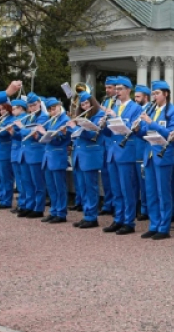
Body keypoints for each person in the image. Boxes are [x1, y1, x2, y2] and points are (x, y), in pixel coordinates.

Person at [136, 80, 174, 240]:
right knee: (151, 193)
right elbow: (145, 133)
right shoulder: (152, 110)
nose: (154, 96)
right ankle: (154, 225)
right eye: (153, 94)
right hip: (149, 155)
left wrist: (151, 123)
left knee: (164, 192)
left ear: (166, 94)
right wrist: (137, 130)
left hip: (163, 155)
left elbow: (171, 134)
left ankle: (164, 226)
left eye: (157, 93)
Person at [102, 76, 142, 235]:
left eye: (120, 89)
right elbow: (109, 132)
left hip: (126, 151)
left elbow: (130, 130)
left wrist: (112, 117)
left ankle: (128, 221)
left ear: (128, 90)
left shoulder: (135, 108)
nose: (117, 92)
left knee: (127, 188)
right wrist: (103, 125)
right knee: (115, 188)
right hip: (112, 152)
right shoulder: (114, 106)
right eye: (116, 89)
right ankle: (118, 218)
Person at [70, 92, 105, 229]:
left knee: (91, 187)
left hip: (90, 155)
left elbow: (93, 135)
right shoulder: (82, 116)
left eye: (87, 103)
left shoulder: (99, 115)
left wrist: (76, 127)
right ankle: (86, 214)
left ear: (92, 103)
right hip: (79, 155)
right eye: (82, 104)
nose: (85, 106)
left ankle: (92, 217)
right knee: (82, 187)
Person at [15, 94, 49, 218]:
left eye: (34, 105)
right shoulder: (29, 117)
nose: (32, 108)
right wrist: (13, 130)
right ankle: (29, 206)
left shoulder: (43, 117)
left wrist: (21, 127)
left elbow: (31, 133)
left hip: (36, 154)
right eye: (30, 106)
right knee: (27, 182)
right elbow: (21, 134)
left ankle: (38, 208)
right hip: (24, 153)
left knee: (37, 183)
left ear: (39, 103)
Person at [38, 98, 71, 223]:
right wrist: (42, 133)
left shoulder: (65, 120)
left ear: (59, 106)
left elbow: (61, 140)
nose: (52, 111)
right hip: (48, 157)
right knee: (51, 186)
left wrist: (44, 132)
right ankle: (54, 210)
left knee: (59, 186)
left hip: (57, 156)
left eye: (54, 108)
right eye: (50, 110)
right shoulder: (52, 120)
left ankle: (61, 213)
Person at [98, 76, 118, 216]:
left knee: (114, 177)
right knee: (105, 174)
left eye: (110, 88)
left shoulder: (118, 103)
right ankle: (107, 202)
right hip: (104, 141)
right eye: (106, 87)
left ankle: (115, 205)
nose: (107, 90)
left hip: (114, 141)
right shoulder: (105, 100)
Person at [133, 84, 152, 221]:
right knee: (136, 182)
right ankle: (138, 207)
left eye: (138, 97)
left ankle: (145, 209)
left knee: (145, 182)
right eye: (135, 97)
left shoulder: (150, 110)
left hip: (144, 148)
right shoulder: (136, 110)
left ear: (146, 97)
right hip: (135, 148)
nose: (136, 99)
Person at [8, 99, 28, 215]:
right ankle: (21, 203)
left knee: (22, 180)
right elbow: (16, 136)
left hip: (21, 151)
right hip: (15, 151)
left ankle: (23, 204)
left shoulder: (25, 118)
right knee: (19, 180)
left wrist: (19, 129)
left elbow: (25, 135)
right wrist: (11, 132)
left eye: (14, 108)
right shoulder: (16, 118)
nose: (12, 111)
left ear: (21, 108)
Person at [0, 103, 14, 209]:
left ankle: (6, 200)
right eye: (0, 110)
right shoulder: (0, 119)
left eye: (4, 109)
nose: (2, 112)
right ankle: (2, 197)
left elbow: (4, 133)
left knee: (6, 176)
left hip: (5, 150)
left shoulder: (10, 119)